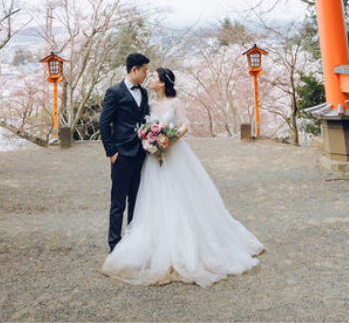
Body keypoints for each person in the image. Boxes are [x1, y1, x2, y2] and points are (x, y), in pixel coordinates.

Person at [102, 67, 263, 287]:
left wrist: (169, 139)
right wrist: (150, 141)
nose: (150, 79)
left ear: (162, 83)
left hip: (175, 153)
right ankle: (152, 245)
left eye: (154, 77)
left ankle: (188, 245)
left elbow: (186, 125)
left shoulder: (175, 102)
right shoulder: (148, 104)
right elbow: (143, 127)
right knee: (153, 199)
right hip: (153, 158)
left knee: (181, 196)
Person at [99, 52, 150, 252]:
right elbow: (104, 123)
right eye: (144, 70)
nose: (146, 74)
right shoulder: (114, 92)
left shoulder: (144, 92)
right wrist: (111, 152)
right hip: (121, 154)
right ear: (134, 69)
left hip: (141, 153)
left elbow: (145, 119)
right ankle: (114, 244)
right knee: (118, 201)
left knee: (137, 200)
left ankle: (133, 239)